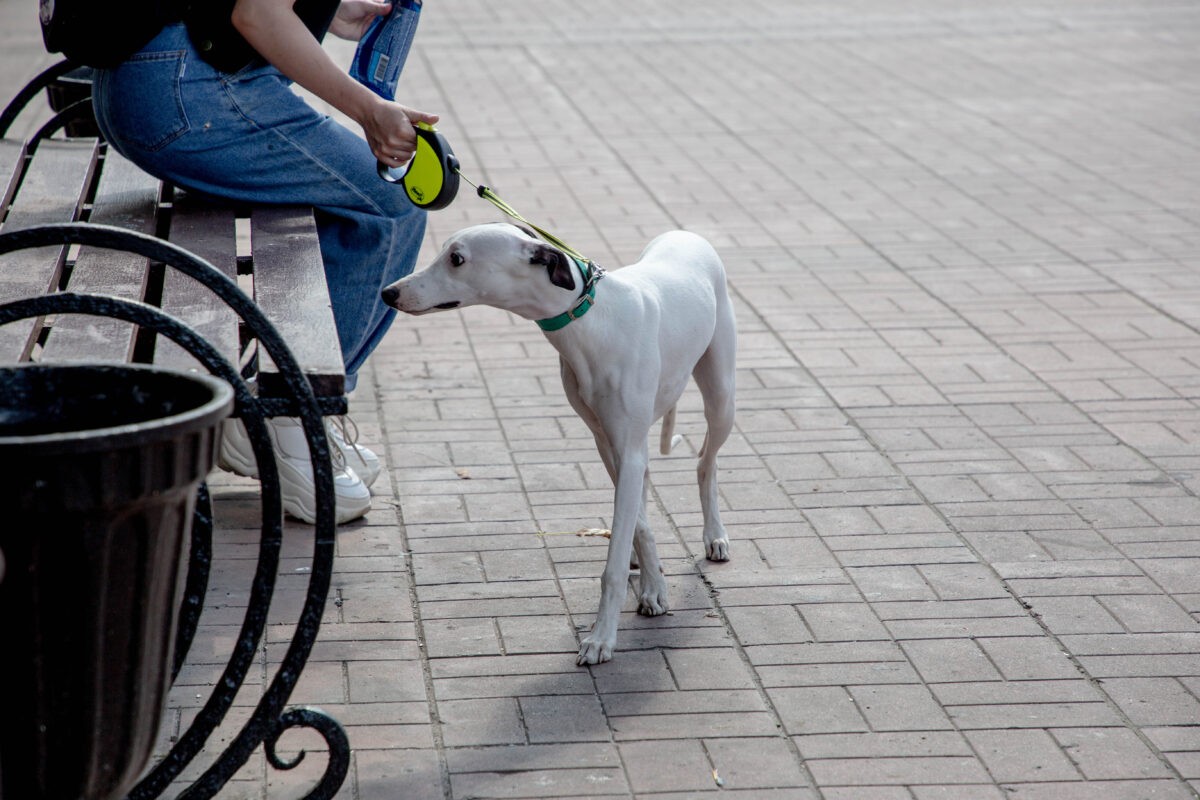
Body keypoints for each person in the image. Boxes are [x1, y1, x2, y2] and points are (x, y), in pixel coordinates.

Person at [91, 0, 438, 523]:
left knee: (334, 199)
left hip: (152, 79)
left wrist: (328, 8)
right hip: (189, 90)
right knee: (390, 206)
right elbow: (256, 14)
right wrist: (368, 110)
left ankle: (277, 410)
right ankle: (288, 413)